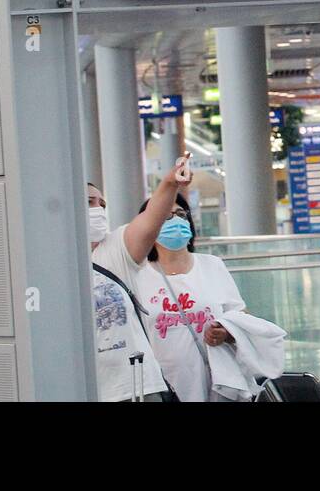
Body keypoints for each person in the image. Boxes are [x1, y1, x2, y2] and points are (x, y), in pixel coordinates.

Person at [135, 192, 286, 402]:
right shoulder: (138, 276)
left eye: (181, 214)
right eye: (166, 216)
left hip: (217, 382)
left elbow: (239, 315)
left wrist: (226, 330)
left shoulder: (211, 265)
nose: (176, 221)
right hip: (165, 385)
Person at [88, 156, 190, 401]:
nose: (98, 209)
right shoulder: (47, 262)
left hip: (134, 388)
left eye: (102, 204)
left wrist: (169, 183)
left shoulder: (113, 249)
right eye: (89, 202)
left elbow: (149, 220)